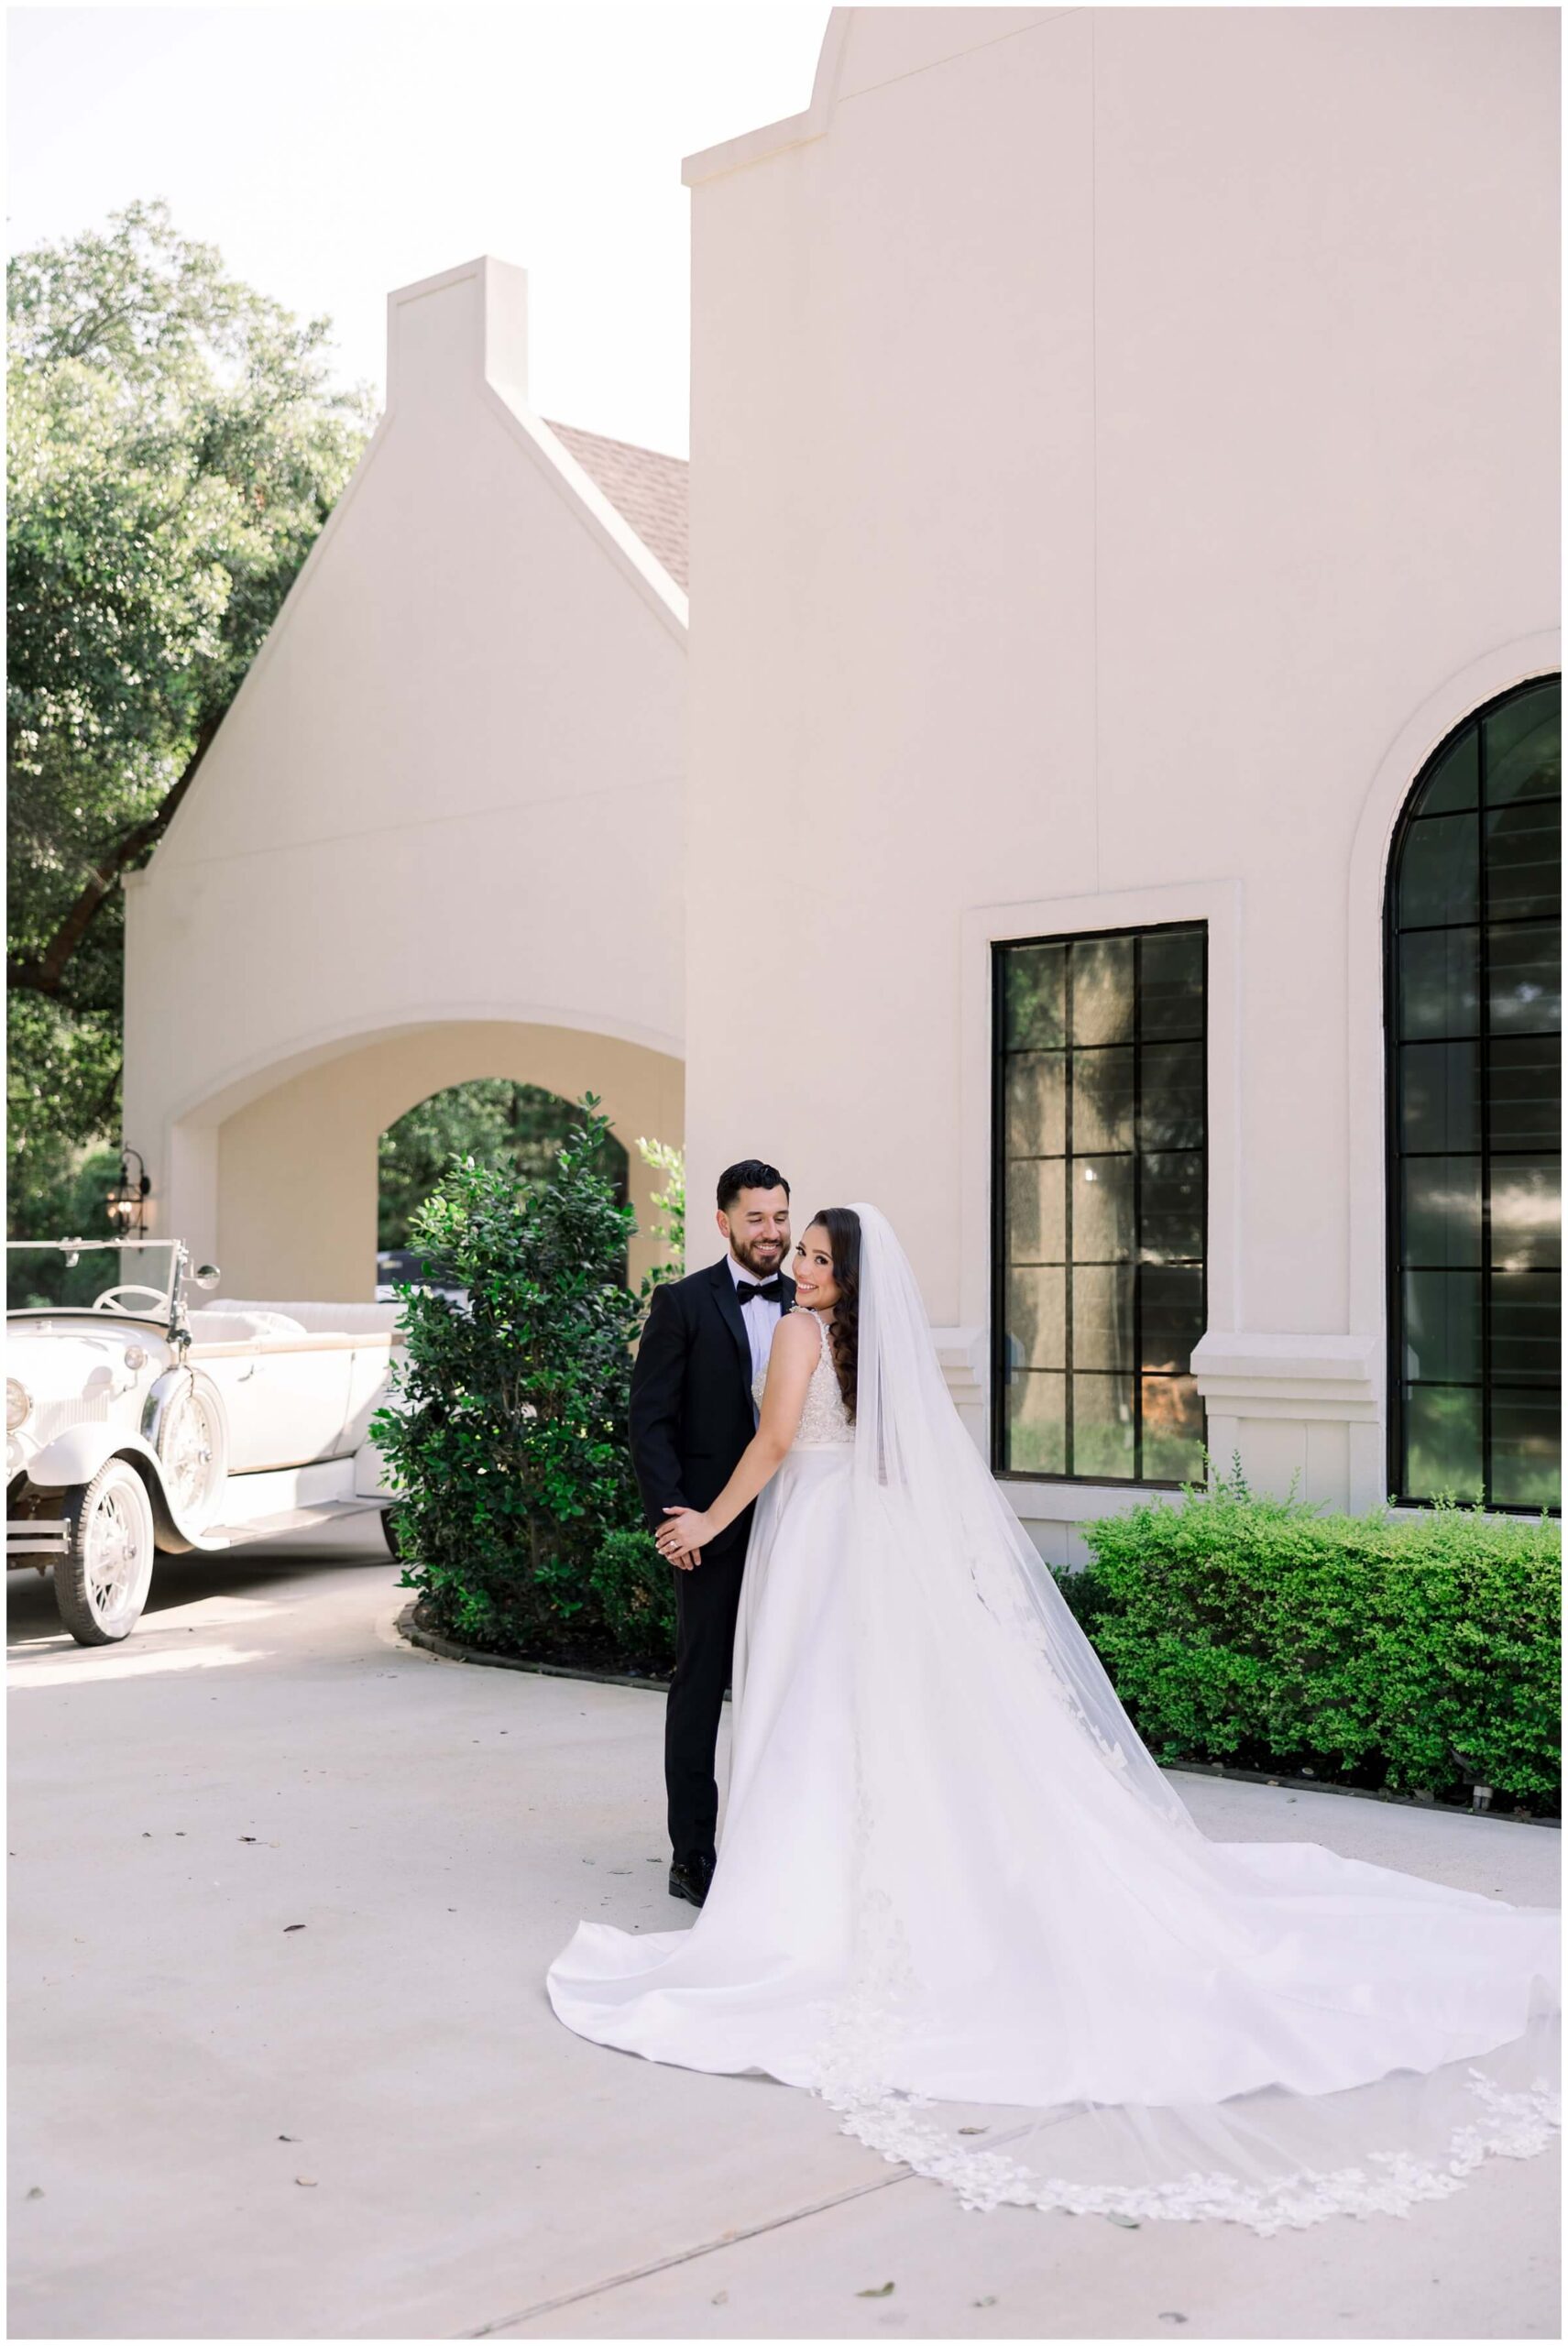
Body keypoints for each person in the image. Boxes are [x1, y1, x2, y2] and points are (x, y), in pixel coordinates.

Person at [550, 1204, 1560, 2232]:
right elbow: (892, 1456)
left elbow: (772, 1444)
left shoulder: (805, 1334)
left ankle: (809, 1902)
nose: (802, 1267)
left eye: (815, 1256)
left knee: (811, 1715)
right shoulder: (872, 1342)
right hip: (868, 1534)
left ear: (845, 1278)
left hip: (814, 1534)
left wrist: (704, 1522)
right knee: (868, 1717)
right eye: (797, 1252)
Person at [628, 1158, 794, 1909]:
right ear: (723, 1222)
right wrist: (674, 1523)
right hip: (707, 1531)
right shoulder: (682, 1303)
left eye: (780, 1217)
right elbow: (649, 1423)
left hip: (796, 1525)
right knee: (701, 1687)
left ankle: (784, 1841)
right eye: (756, 1218)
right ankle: (692, 1854)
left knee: (792, 1682)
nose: (772, 1233)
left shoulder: (812, 1303)